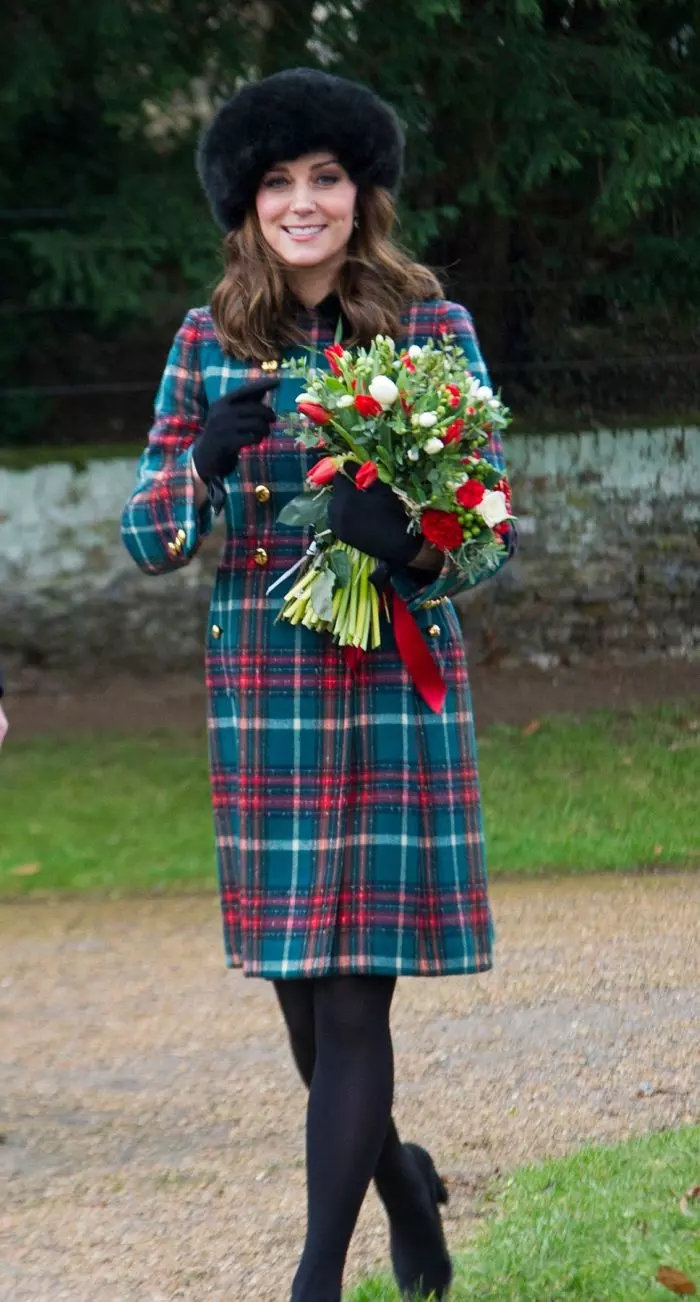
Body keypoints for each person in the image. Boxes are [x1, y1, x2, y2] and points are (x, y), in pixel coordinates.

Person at [121, 68, 516, 1302]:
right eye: (280, 183)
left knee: (355, 1009)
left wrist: (407, 539)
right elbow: (145, 537)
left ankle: (314, 1283)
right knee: (303, 1005)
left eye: (326, 179)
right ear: (247, 205)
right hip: (268, 702)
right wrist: (200, 464)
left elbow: (490, 530)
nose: (305, 202)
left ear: (362, 193)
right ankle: (401, 1177)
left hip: (390, 692)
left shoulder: (432, 328)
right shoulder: (206, 341)